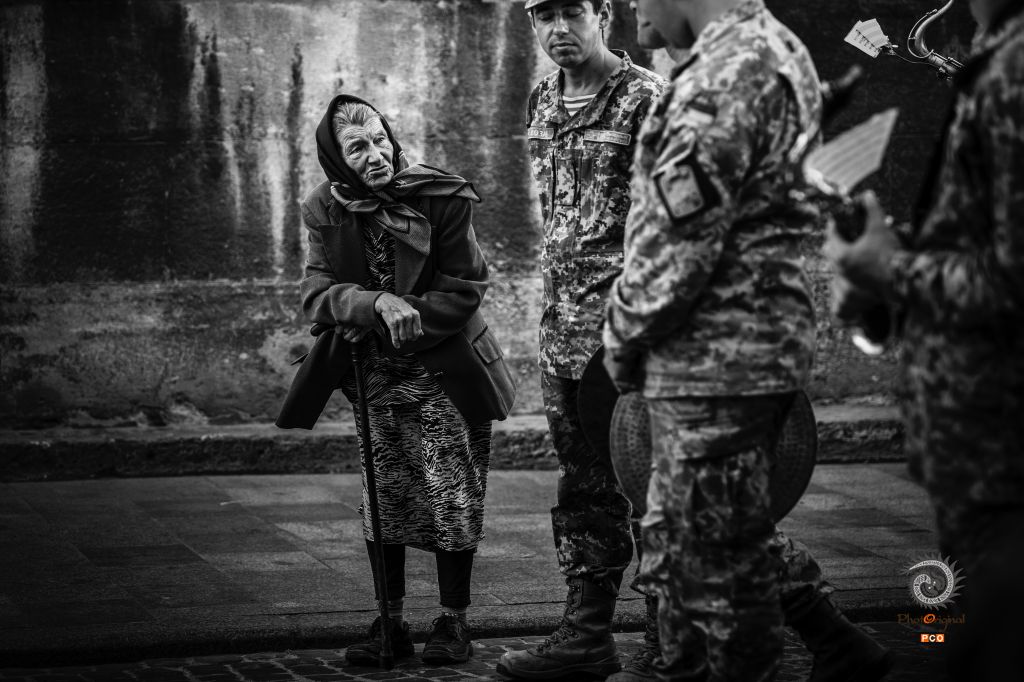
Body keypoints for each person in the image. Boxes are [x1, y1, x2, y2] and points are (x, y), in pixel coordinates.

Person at [602, 0, 894, 680]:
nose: (631, 7)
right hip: (731, 353)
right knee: (699, 550)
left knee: (715, 581)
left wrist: (621, 336)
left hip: (716, 359)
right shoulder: (764, 50)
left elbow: (678, 243)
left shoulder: (727, 71)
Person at [276, 94, 516, 667]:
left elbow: (465, 288)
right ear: (337, 158)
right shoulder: (323, 206)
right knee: (383, 495)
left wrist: (400, 313)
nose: (376, 154)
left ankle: (453, 620)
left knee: (451, 492)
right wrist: (374, 303)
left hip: (444, 368)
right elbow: (316, 291)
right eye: (358, 147)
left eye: (380, 139)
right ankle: (391, 622)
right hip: (375, 375)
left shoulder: (441, 196)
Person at [826, 0, 1024, 678]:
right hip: (979, 451)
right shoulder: (997, 60)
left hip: (1000, 454)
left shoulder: (1013, 72)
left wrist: (891, 271)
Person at [495, 1, 667, 679]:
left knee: (653, 488)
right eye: (543, 15)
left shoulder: (647, 99)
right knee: (584, 488)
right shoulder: (543, 97)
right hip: (563, 332)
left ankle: (668, 635)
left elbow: (669, 225)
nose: (558, 28)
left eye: (572, 11)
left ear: (604, 14)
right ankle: (587, 635)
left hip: (629, 335)